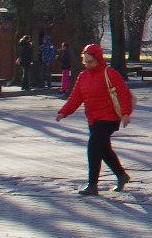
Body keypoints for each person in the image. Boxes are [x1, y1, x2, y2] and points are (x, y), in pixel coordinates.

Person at [56, 43, 135, 196]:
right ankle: (121, 175)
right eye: (85, 62)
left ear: (98, 59)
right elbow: (75, 98)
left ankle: (92, 185)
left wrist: (125, 114)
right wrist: (64, 112)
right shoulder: (83, 76)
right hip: (93, 118)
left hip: (109, 117)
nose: (87, 65)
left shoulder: (109, 73)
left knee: (93, 147)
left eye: (90, 62)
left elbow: (124, 94)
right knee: (104, 150)